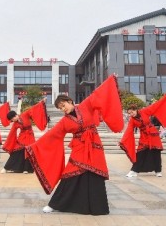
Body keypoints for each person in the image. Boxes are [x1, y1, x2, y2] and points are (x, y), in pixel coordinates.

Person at [25, 75, 124, 215]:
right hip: (79, 148)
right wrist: (33, 147)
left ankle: (97, 207)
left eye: (63, 105)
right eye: (60, 108)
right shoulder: (64, 122)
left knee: (95, 174)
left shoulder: (86, 105)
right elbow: (51, 135)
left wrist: (111, 80)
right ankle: (55, 204)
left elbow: (99, 93)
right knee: (69, 174)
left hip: (94, 145)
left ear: (70, 101)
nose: (63, 109)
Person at [119, 94, 166, 178]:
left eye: (132, 112)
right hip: (144, 136)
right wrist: (123, 141)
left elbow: (156, 105)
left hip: (153, 134)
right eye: (129, 113)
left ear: (135, 110)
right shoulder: (132, 121)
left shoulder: (145, 111)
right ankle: (134, 170)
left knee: (156, 153)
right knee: (140, 153)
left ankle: (158, 171)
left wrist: (165, 97)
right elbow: (129, 131)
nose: (131, 114)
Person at [1, 97, 48, 174]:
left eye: (12, 119)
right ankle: (6, 167)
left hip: (30, 135)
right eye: (11, 120)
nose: (12, 121)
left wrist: (42, 102)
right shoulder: (15, 124)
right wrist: (8, 144)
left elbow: (33, 109)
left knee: (29, 150)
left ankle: (27, 169)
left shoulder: (25, 114)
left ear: (15, 116)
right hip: (22, 137)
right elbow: (11, 134)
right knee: (17, 150)